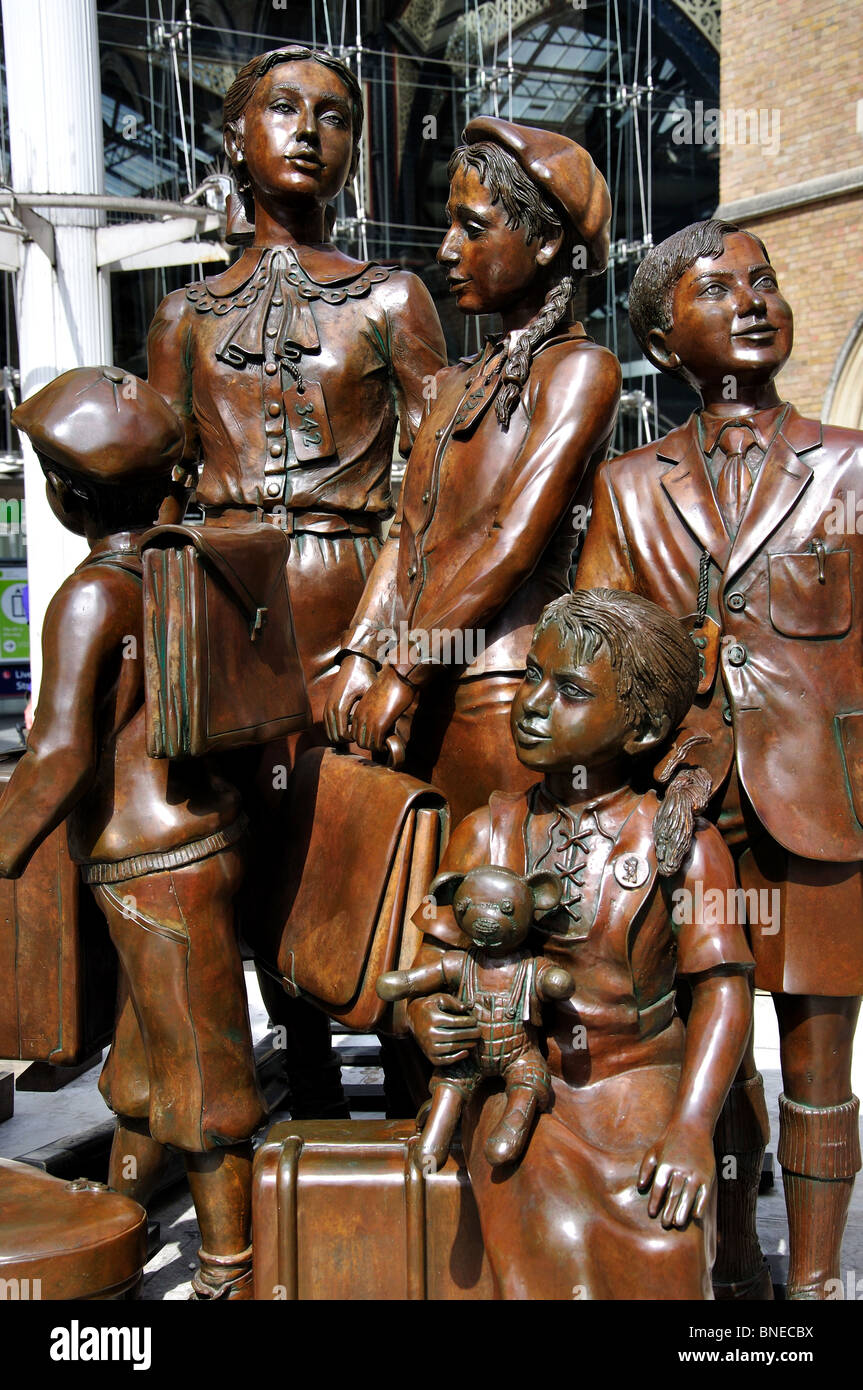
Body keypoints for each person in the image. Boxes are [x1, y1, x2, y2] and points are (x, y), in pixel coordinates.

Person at [146, 45, 448, 1118]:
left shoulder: (391, 298)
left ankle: (417, 1084)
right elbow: (162, 486)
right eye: (282, 108)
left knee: (370, 822)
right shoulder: (183, 317)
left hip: (352, 581)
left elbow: (434, 475)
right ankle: (305, 1077)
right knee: (253, 836)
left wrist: (383, 633)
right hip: (230, 608)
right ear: (237, 132)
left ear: (356, 153)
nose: (308, 130)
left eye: (333, 116)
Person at [576, 218, 863, 1300]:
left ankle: (821, 1280)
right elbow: (600, 641)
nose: (752, 301)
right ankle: (733, 1251)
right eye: (715, 289)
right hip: (684, 804)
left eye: (764, 281)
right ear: (660, 341)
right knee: (716, 1037)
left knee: (820, 1060)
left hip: (824, 806)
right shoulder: (627, 485)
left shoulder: (848, 466)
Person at [405, 589, 753, 1298]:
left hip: (639, 1088)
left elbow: (722, 988)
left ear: (643, 724)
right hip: (522, 1087)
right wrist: (427, 1018)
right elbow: (430, 966)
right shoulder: (487, 830)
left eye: (568, 690)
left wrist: (691, 1125)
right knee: (552, 1261)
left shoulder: (684, 843)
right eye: (531, 675)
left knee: (665, 1252)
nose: (530, 703)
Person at [4, 367, 266, 1299]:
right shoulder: (181, 561)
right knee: (147, 1062)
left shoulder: (88, 596)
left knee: (200, 1072)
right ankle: (121, 1213)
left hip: (150, 868)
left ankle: (229, 1269)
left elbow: (58, 757)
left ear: (66, 496)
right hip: (197, 846)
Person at [325, 116, 620, 827]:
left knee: (495, 897)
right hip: (422, 682)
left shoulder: (579, 370)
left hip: (501, 687)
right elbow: (406, 533)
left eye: (472, 228)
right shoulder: (454, 382)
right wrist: (364, 653)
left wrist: (404, 667)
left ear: (547, 243)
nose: (446, 249)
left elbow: (511, 541)